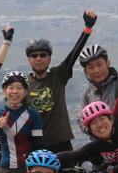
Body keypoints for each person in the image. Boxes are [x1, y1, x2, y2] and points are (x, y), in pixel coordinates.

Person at [25, 10, 96, 153]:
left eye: (43, 55)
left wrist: (87, 29)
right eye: (34, 55)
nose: (39, 58)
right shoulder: (22, 84)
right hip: (35, 144)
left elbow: (74, 54)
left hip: (61, 142)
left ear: (49, 59)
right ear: (29, 59)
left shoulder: (57, 76)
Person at [0, 71, 45, 173]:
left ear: (25, 92)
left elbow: (38, 144)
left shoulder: (33, 115)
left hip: (29, 170)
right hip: (6, 169)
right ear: (4, 91)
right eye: (11, 88)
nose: (15, 91)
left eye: (19, 88)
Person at [77, 44, 118, 112]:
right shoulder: (87, 96)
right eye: (91, 67)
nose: (96, 71)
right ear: (86, 72)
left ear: (108, 63)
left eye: (99, 65)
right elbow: (82, 120)